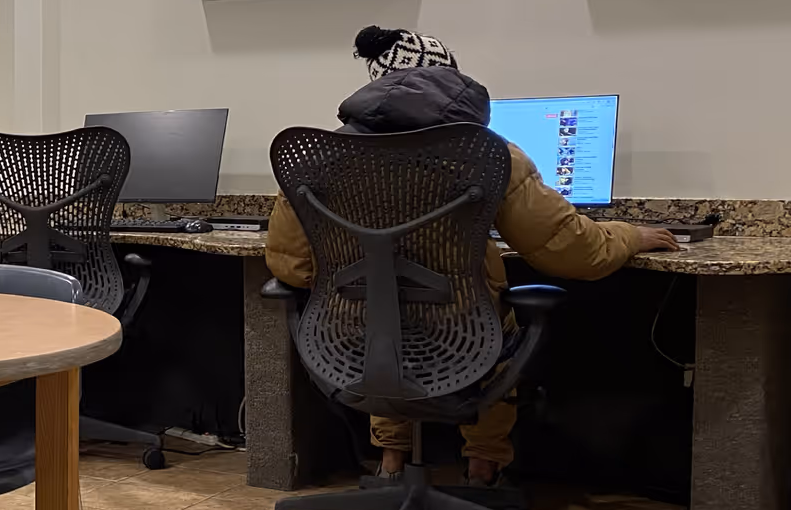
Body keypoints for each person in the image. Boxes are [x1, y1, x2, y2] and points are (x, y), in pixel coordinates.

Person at [264, 26, 678, 486]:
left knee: (381, 318)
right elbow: (573, 252)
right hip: (460, 342)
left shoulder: (320, 158)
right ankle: (482, 469)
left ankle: (390, 465)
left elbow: (292, 267)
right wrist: (629, 234)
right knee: (487, 322)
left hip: (347, 344)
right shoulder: (487, 154)